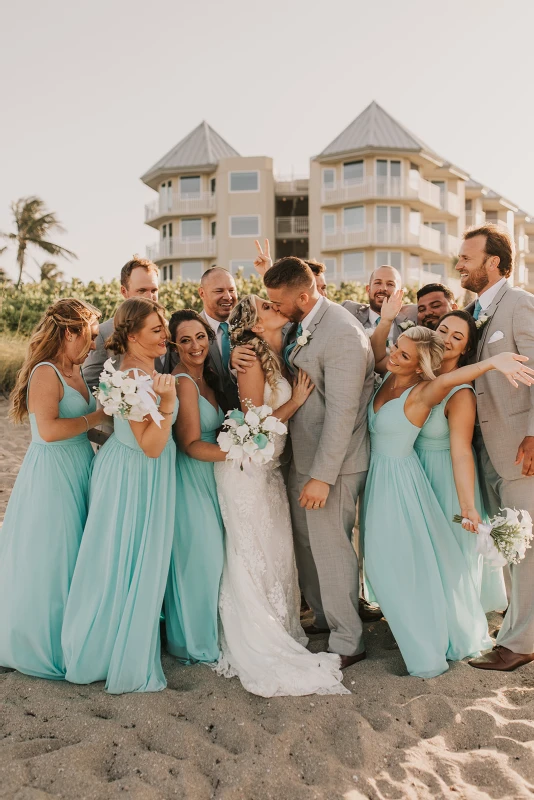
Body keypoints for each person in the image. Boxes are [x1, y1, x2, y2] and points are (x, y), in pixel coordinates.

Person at [363, 325, 533, 678]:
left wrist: (492, 363)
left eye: (405, 354)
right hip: (377, 481)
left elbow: (453, 396)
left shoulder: (424, 391)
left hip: (400, 484)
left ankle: (425, 652)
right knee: (384, 565)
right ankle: (414, 625)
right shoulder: (387, 376)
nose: (395, 355)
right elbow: (378, 353)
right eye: (397, 347)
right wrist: (387, 320)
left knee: (393, 564)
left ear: (420, 365)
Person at [213, 294, 349, 697]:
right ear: (256, 326)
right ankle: (259, 632)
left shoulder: (280, 347)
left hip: (270, 472)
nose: (278, 309)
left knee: (273, 552)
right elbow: (255, 423)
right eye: (268, 309)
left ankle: (282, 623)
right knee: (254, 552)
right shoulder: (250, 360)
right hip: (250, 474)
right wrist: (295, 402)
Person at [62, 298, 178, 694]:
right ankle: (109, 651)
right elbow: (151, 445)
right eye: (156, 329)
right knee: (122, 560)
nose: (166, 335)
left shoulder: (142, 369)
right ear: (130, 335)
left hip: (135, 469)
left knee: (124, 558)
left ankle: (113, 642)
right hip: (135, 473)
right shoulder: (131, 377)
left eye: (164, 327)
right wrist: (170, 402)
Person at [263, 258, 375, 669]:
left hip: (336, 466)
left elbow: (344, 412)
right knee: (310, 548)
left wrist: (322, 478)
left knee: (332, 549)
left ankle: (349, 641)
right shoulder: (306, 323)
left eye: (278, 301)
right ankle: (328, 619)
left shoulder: (343, 332)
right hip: (303, 457)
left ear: (305, 296)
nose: (273, 308)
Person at [376, 296, 507, 612]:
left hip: (445, 477)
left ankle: (453, 619)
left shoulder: (461, 394)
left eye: (457, 337)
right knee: (414, 554)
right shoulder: (415, 370)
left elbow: (461, 452)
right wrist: (384, 321)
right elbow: (378, 359)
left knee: (447, 556)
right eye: (444, 329)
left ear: (465, 350)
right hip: (409, 475)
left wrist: (466, 506)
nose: (447, 339)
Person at [0, 299, 105, 679]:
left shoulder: (75, 371)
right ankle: (45, 642)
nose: (94, 346)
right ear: (69, 331)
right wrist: (99, 415)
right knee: (54, 554)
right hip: (52, 473)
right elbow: (49, 429)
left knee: (78, 551)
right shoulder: (46, 373)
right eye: (90, 337)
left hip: (80, 465)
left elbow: (84, 427)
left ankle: (76, 634)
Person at [456, 224, 534, 672]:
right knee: (508, 545)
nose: (459, 264)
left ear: (493, 263)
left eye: (467, 257)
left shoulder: (521, 304)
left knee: (525, 549)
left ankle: (520, 644)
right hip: (485, 449)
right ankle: (516, 630)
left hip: (522, 450)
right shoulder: (472, 312)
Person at [164, 310, 225, 665]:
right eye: (185, 340)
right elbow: (189, 443)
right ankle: (193, 644)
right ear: (175, 346)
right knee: (200, 558)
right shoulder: (183, 382)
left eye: (200, 337)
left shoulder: (210, 377)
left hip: (210, 476)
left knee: (208, 559)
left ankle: (202, 636)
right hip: (190, 475)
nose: (195, 345)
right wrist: (239, 454)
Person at [83, 256, 160, 392]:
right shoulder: (102, 333)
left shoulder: (168, 330)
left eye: (154, 290)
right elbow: (91, 385)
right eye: (142, 291)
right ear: (124, 291)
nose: (150, 297)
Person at [341, 265, 417, 344]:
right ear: (368, 289)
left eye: (390, 284)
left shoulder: (414, 314)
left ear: (400, 293)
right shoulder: (348, 309)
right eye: (377, 283)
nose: (383, 288)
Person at [198, 267, 239, 410]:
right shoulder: (189, 332)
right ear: (202, 293)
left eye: (232, 290)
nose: (228, 297)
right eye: (219, 291)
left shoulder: (250, 327)